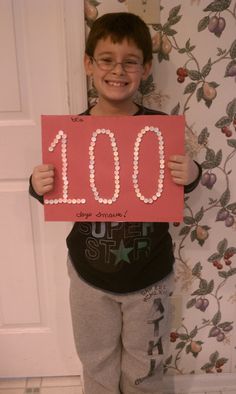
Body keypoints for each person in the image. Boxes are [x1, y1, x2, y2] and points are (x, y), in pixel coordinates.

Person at [29, 12, 202, 394]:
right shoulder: (72, 134)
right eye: (106, 59)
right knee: (97, 359)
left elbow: (182, 183)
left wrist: (191, 174)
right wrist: (37, 183)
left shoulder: (159, 130)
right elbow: (53, 190)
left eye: (129, 61)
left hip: (150, 277)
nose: (117, 70)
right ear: (89, 63)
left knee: (146, 365)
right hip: (89, 276)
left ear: (146, 67)